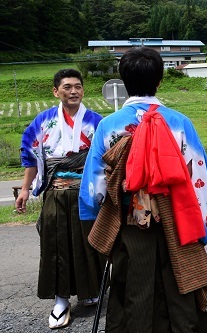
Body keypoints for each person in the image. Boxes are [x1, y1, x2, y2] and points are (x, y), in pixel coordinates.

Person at [79, 47, 207, 333]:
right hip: (178, 220)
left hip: (131, 223)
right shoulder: (180, 123)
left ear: (123, 81)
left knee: (131, 287)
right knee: (180, 287)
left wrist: (99, 221)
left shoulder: (108, 127)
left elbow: (94, 191)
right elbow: (200, 180)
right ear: (159, 81)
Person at [15, 68, 104, 329]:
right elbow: (31, 157)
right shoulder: (42, 122)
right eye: (67, 87)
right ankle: (61, 299)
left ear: (83, 90)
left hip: (87, 194)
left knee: (88, 242)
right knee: (56, 246)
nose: (73, 91)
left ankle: (89, 290)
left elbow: (108, 158)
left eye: (78, 86)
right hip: (55, 194)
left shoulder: (96, 121)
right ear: (56, 91)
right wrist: (24, 189)